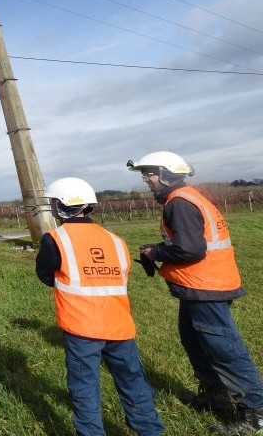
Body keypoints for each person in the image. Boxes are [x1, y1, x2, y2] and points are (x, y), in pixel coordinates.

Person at [128, 151, 263, 435]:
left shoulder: (179, 203)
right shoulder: (188, 199)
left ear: (166, 174)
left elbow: (191, 249)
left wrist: (155, 251)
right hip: (199, 287)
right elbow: (191, 241)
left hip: (205, 287)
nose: (145, 179)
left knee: (225, 351)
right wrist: (160, 249)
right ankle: (215, 398)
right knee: (196, 344)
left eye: (149, 173)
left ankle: (256, 412)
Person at [36, 177, 164, 436]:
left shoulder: (55, 238)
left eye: (52, 202)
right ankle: (150, 431)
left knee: (84, 389)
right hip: (120, 327)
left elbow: (45, 273)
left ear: (61, 206)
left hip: (81, 328)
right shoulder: (115, 240)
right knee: (133, 382)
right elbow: (120, 276)